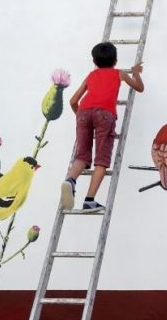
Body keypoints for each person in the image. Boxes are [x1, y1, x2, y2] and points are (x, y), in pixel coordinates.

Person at [61, 42, 144, 212]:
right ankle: (89, 200)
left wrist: (81, 118)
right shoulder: (119, 73)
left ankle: (70, 180)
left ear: (94, 61)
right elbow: (139, 88)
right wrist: (136, 72)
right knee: (101, 159)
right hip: (105, 114)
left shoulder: (91, 75)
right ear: (116, 60)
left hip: (83, 112)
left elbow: (73, 101)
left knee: (82, 156)